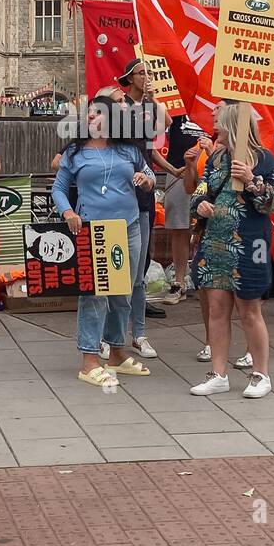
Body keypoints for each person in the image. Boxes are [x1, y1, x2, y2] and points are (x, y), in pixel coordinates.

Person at [51, 94, 156, 387]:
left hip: (129, 228)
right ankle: (89, 360)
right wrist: (68, 211)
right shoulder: (75, 152)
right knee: (94, 295)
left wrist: (146, 181)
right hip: (94, 231)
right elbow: (58, 189)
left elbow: (151, 178)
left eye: (97, 113)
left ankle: (117, 354)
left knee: (124, 292)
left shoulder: (129, 150)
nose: (90, 118)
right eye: (89, 114)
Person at [189, 101, 274, 399]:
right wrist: (200, 205)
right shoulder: (216, 159)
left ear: (234, 126)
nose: (213, 126)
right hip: (215, 245)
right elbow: (200, 191)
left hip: (249, 245)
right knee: (217, 309)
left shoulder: (266, 160)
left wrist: (252, 182)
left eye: (219, 123)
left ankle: (260, 374)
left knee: (249, 311)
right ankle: (218, 374)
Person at [118, 59, 171, 351]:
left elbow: (164, 126)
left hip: (143, 198)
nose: (146, 77)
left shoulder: (150, 107)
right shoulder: (119, 105)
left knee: (138, 272)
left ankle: (139, 333)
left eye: (149, 73)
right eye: (142, 73)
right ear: (129, 78)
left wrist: (153, 98)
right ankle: (109, 334)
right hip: (116, 198)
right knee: (115, 273)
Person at [160, 113, 206, 300]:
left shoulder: (212, 105)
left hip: (210, 169)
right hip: (178, 169)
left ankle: (206, 279)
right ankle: (179, 281)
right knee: (178, 226)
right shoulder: (175, 107)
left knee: (209, 226)